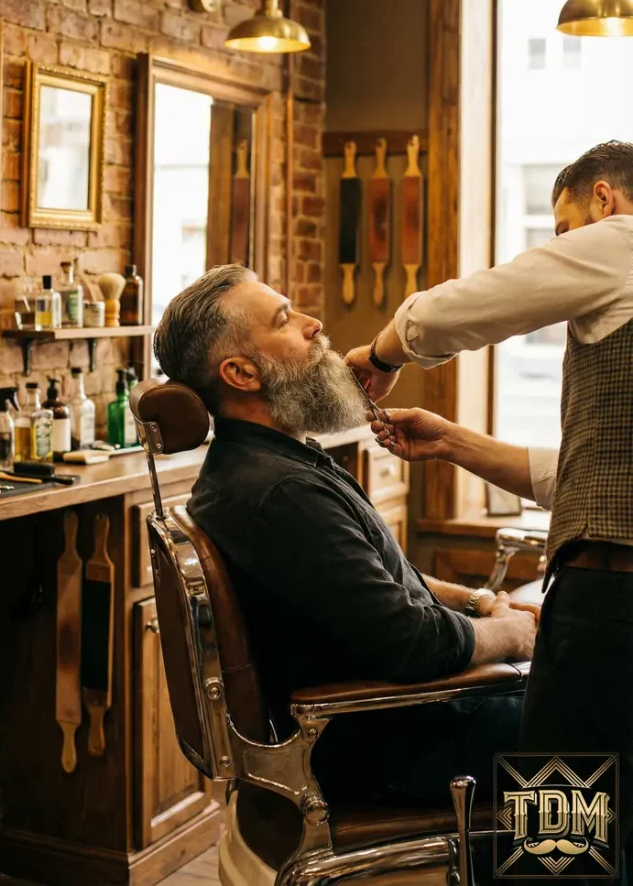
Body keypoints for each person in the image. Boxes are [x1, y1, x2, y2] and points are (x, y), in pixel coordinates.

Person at [153, 263, 537, 806]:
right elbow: (413, 644)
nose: (313, 324)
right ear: (241, 373)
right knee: (598, 729)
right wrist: (514, 636)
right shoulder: (277, 492)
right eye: (284, 319)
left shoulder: (272, 464)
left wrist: (478, 601)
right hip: (401, 749)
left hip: (402, 726)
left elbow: (372, 581)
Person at [346, 140, 633, 859]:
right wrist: (451, 442)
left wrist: (381, 354)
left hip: (614, 598)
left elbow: (457, 309)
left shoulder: (621, 242)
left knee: (559, 830)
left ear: (604, 199)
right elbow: (596, 474)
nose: (564, 251)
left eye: (564, 233)